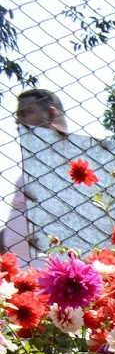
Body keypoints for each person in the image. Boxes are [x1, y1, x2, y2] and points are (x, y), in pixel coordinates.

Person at [3, 88, 70, 265]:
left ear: (50, 113)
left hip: (52, 273)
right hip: (19, 272)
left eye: (25, 113)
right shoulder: (32, 167)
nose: (18, 121)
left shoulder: (73, 165)